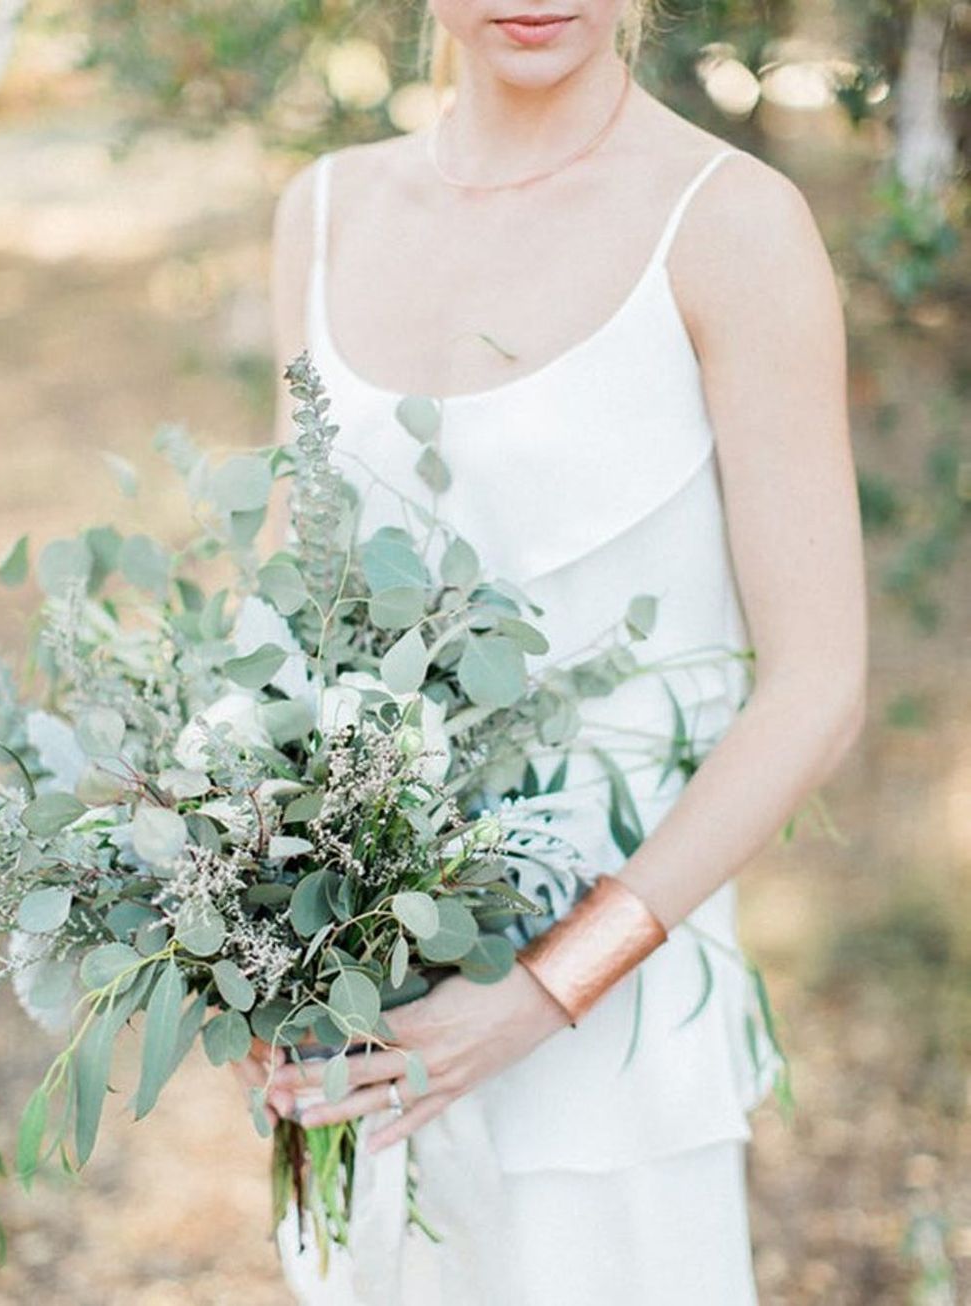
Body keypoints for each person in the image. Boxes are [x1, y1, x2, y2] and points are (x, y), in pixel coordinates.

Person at [233, 2, 868, 1302]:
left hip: (612, 1044)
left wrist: (537, 993)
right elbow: (286, 616)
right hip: (367, 1023)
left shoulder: (731, 224)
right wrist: (249, 940)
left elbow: (819, 687)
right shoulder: (326, 210)